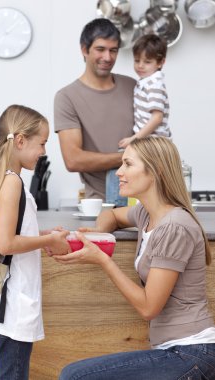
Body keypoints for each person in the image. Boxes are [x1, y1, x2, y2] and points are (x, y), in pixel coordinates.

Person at [54, 136, 215, 380]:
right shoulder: (147, 213)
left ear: (156, 171)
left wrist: (103, 260)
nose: (119, 172)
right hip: (174, 350)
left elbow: (149, 307)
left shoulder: (174, 227)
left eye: (128, 164)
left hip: (191, 353)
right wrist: (100, 234)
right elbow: (113, 215)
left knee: (74, 376)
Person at [0, 104, 70, 380]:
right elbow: (5, 244)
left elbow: (13, 232)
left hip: (10, 302)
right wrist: (49, 239)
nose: (45, 151)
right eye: (43, 143)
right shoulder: (12, 182)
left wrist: (44, 237)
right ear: (21, 141)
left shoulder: (3, 177)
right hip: (12, 305)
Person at [54, 18, 136, 204]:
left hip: (142, 199)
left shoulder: (132, 86)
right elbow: (73, 160)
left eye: (113, 50)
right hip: (100, 204)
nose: (107, 57)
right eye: (100, 49)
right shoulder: (67, 97)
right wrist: (130, 157)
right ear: (85, 49)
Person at [119, 33, 171, 148]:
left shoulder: (154, 85)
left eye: (147, 62)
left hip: (154, 143)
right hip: (147, 141)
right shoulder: (145, 82)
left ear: (161, 63)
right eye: (137, 60)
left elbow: (157, 118)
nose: (140, 66)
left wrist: (134, 138)